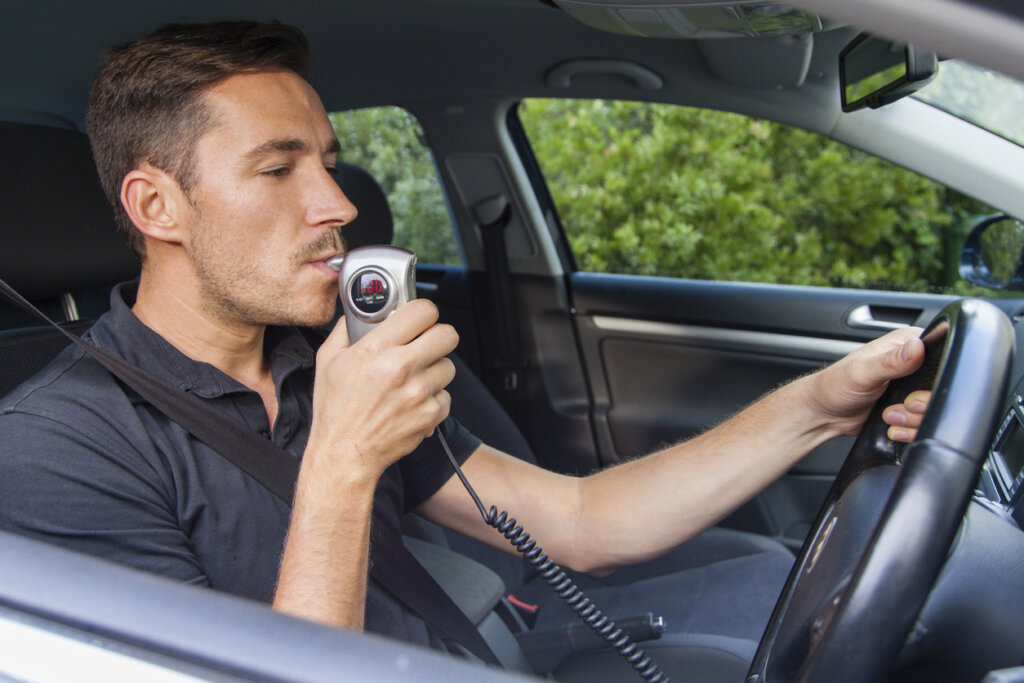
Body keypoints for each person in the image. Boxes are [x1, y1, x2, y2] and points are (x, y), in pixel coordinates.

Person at [0, 20, 930, 666]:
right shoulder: (57, 447)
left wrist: (814, 408)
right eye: (278, 167)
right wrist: (341, 464)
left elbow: (579, 525)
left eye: (326, 160)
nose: (337, 204)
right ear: (156, 206)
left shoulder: (324, 363)